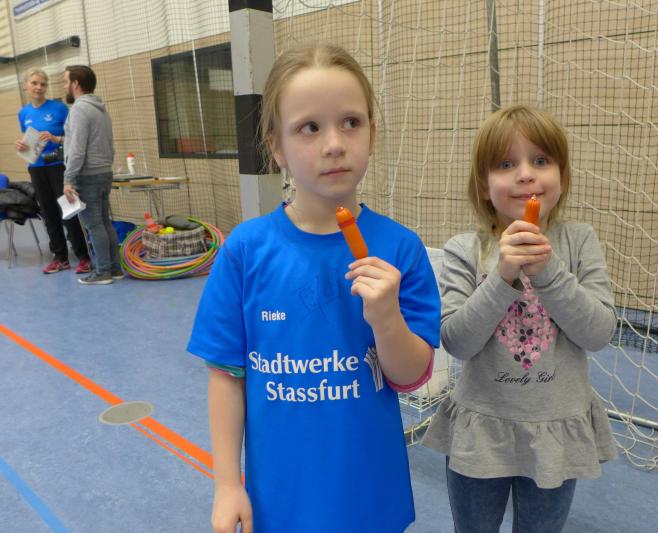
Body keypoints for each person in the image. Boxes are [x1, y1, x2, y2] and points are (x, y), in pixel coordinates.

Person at [187, 44, 441, 533]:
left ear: (372, 133)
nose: (334, 144)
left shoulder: (401, 248)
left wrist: (387, 319)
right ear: (276, 147)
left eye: (351, 122)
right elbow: (226, 376)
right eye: (309, 127)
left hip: (370, 495)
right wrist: (227, 484)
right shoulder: (246, 250)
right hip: (281, 498)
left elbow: (411, 376)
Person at [422, 105, 618, 532]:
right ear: (483, 185)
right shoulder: (464, 250)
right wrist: (502, 276)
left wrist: (548, 272)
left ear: (562, 176)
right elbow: (457, 341)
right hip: (481, 430)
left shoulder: (579, 241)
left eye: (541, 160)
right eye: (506, 164)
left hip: (555, 432)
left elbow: (599, 332)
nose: (526, 175)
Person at [15, 68, 91, 275]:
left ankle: (83, 257)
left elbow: (72, 138)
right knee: (49, 214)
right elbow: (29, 140)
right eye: (34, 83)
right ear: (26, 86)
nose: (39, 87)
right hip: (36, 169)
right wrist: (22, 146)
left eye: (43, 84)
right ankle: (60, 258)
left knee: (69, 211)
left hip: (59, 167)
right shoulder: (23, 113)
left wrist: (55, 139)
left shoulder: (59, 109)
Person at [61, 65, 121, 285]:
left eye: (66, 81)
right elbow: (108, 144)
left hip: (88, 176)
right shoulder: (101, 109)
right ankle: (114, 269)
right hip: (104, 173)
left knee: (94, 225)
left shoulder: (79, 109)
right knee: (104, 223)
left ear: (75, 84)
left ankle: (103, 272)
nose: (64, 86)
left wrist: (69, 179)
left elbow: (77, 149)